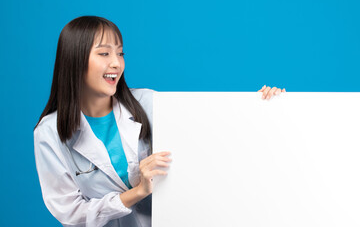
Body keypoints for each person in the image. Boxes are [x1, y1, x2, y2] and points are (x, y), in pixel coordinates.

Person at [34, 16, 286, 227]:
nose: (116, 63)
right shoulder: (49, 132)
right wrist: (137, 192)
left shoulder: (149, 102)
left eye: (120, 53)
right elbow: (71, 212)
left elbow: (217, 137)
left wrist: (267, 107)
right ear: (74, 60)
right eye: (104, 53)